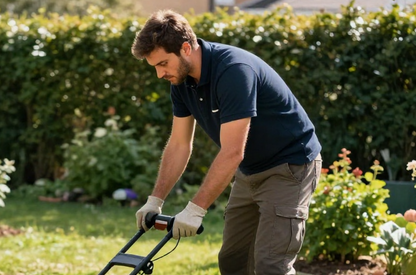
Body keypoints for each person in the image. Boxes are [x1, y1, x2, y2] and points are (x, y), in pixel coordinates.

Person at [130, 10, 322, 275]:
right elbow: (178, 145)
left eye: (163, 64)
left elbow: (232, 152)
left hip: (290, 167)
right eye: (155, 67)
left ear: (186, 48)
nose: (159, 74)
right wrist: (155, 200)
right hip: (250, 171)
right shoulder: (181, 82)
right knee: (234, 261)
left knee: (271, 266)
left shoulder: (233, 71)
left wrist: (195, 209)